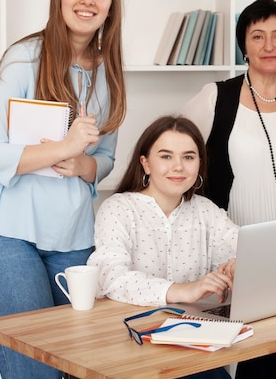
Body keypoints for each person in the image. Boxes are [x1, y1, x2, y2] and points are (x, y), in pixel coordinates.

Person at [0, 0, 127, 379]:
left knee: (86, 365)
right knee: (33, 372)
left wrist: (83, 165)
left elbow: (106, 159)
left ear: (111, 6)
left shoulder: (108, 73)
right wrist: (64, 147)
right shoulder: (22, 59)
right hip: (7, 236)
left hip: (74, 238)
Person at [182, 0, 276, 378]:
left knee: (264, 354)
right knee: (203, 354)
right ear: (243, 44)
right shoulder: (216, 96)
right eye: (257, 35)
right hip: (220, 248)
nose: (268, 45)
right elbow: (177, 157)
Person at [87, 115, 237, 379]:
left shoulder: (206, 211)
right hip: (130, 345)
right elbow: (111, 276)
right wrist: (182, 291)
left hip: (191, 344)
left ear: (200, 164)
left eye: (189, 157)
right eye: (166, 156)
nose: (178, 167)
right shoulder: (119, 208)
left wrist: (239, 264)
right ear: (145, 163)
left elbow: (240, 247)